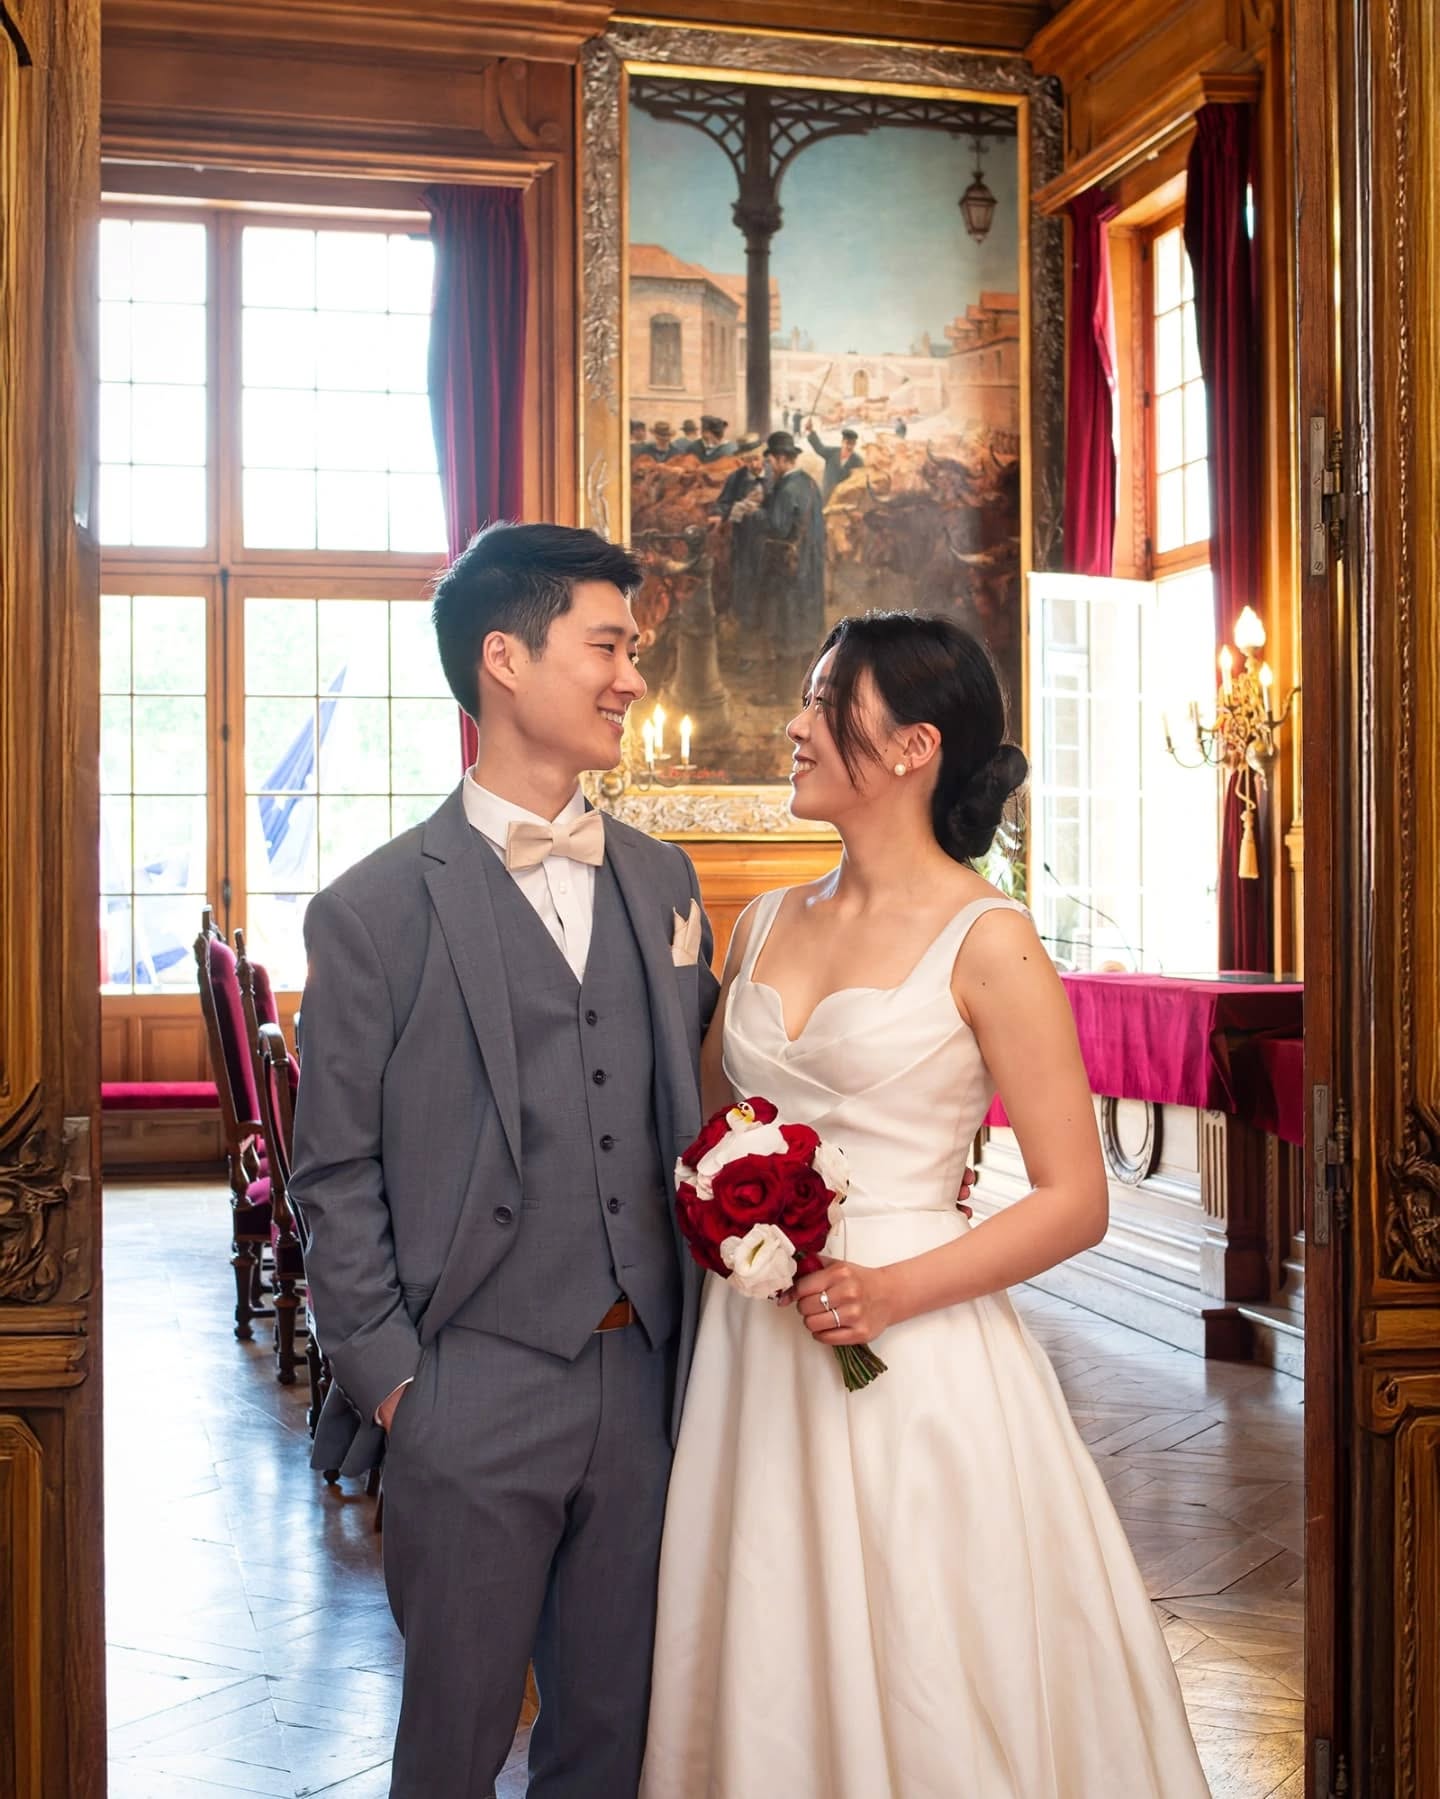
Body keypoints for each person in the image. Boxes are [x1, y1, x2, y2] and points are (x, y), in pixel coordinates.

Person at [641, 611, 1211, 1799]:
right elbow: (712, 1134)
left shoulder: (988, 938)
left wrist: (891, 1286)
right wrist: (730, 1216)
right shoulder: (763, 923)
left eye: (822, 699)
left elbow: (1075, 1200)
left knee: (925, 1648)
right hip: (756, 1346)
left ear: (913, 746)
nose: (793, 724)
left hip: (920, 1347)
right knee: (764, 1632)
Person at [290, 522, 721, 1799]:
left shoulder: (660, 880)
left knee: (611, 1735)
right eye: (608, 645)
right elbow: (334, 1173)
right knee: (451, 1746)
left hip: (644, 1377)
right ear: (504, 661)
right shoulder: (371, 909)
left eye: (630, 651)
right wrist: (398, 1387)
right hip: (466, 1384)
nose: (632, 678)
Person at [757, 430, 827, 696]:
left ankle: (783, 693)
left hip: (789, 570)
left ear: (779, 459)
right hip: (811, 568)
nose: (769, 467)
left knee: (786, 625)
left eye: (770, 461)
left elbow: (778, 527)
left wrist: (759, 512)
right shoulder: (810, 484)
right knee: (806, 626)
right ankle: (807, 689)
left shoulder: (785, 489)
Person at [805, 421, 865, 502]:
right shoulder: (832, 453)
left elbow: (859, 481)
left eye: (852, 444)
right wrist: (811, 431)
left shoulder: (858, 461)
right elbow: (819, 448)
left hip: (844, 501)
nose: (849, 447)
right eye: (847, 443)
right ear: (842, 442)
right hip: (827, 497)